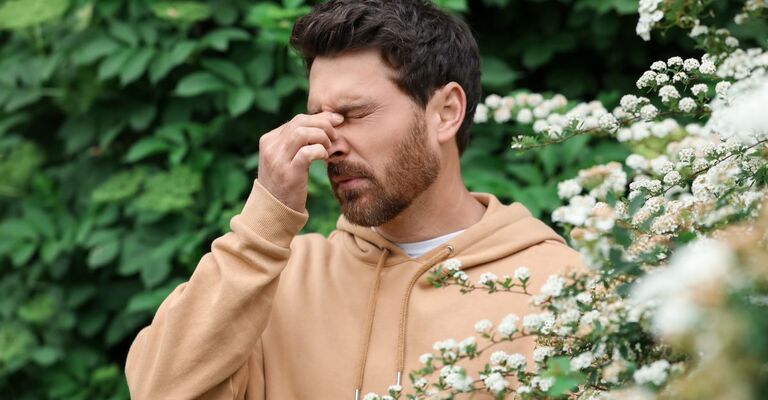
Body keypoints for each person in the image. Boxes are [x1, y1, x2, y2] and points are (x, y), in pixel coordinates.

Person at [125, 0, 582, 398]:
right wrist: (262, 226)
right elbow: (158, 391)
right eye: (318, 118)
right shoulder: (271, 278)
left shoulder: (558, 288)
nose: (327, 143)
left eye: (354, 114)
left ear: (446, 112)